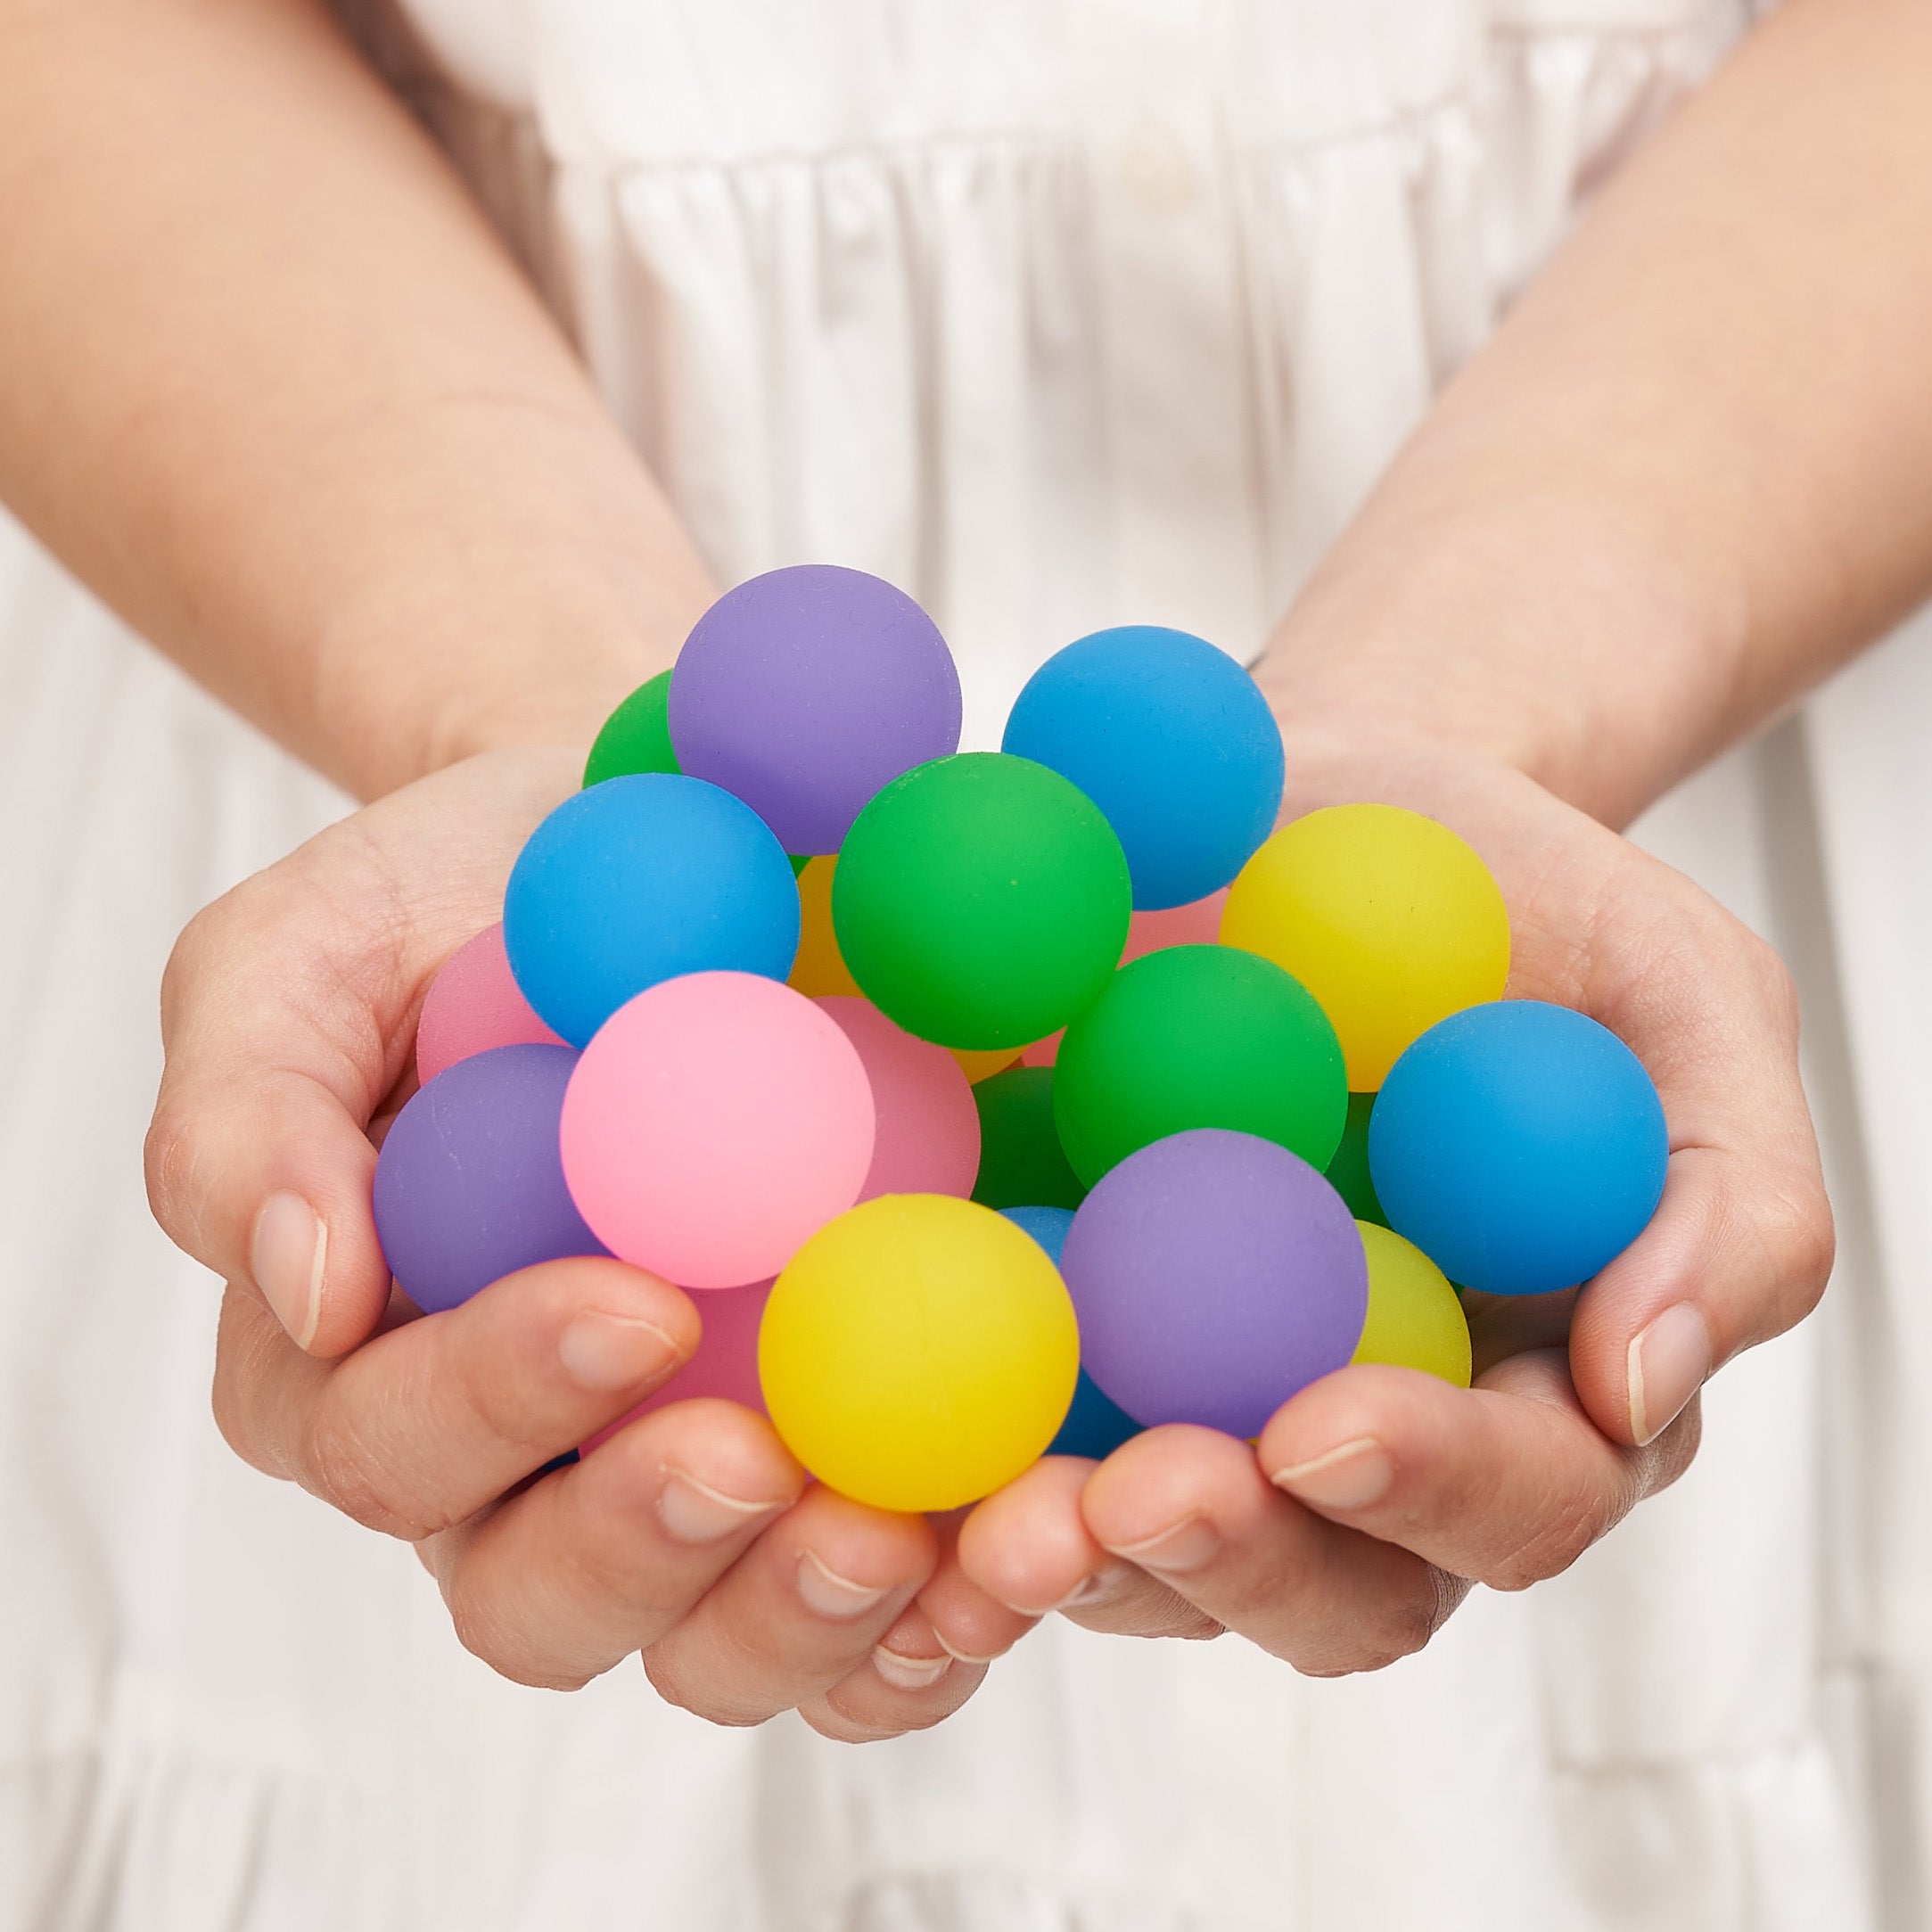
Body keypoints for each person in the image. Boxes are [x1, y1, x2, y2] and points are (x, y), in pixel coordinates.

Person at [1, 0, 1927, 1924]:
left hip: (1686, 506)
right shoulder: (630, 973)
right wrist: (501, 692)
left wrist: (1483, 696)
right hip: (352, 497)